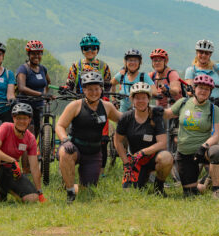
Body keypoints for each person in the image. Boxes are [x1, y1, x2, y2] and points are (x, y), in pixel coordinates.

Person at [56, 72, 122, 203]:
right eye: (90, 89)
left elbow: (123, 119)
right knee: (65, 153)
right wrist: (64, 140)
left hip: (93, 152)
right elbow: (60, 125)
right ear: (84, 90)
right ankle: (70, 192)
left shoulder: (107, 107)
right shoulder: (75, 105)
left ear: (101, 89)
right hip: (75, 146)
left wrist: (143, 111)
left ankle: (69, 184)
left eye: (97, 89)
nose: (94, 92)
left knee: (88, 193)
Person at [163, 74, 219, 199]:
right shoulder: (183, 103)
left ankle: (216, 190)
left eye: (207, 89)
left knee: (216, 151)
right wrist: (148, 109)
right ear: (194, 89)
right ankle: (205, 184)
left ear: (210, 92)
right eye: (200, 88)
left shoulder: (213, 108)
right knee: (190, 193)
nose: (203, 91)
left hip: (203, 150)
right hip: (185, 152)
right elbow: (167, 114)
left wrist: (204, 146)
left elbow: (216, 135)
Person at [64, 33, 113, 175]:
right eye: (86, 49)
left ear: (97, 49)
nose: (90, 51)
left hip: (99, 103)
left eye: (93, 48)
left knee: (103, 139)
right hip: (80, 105)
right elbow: (70, 83)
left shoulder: (104, 66)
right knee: (76, 134)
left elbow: (108, 85)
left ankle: (101, 171)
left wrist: (105, 98)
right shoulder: (76, 65)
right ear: (82, 50)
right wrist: (66, 88)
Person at [0, 103, 44, 209]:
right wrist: (12, 161)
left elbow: (34, 167)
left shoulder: (30, 138)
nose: (21, 121)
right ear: (13, 118)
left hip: (12, 173)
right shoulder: (6, 127)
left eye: (24, 118)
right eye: (18, 118)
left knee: (32, 199)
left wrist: (39, 192)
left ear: (29, 120)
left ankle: (3, 190)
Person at [114, 82, 172, 195]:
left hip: (152, 157)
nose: (140, 101)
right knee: (130, 192)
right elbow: (117, 141)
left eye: (144, 98)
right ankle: (142, 178)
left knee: (166, 157)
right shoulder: (126, 117)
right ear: (132, 99)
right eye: (137, 98)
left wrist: (143, 152)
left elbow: (162, 143)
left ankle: (158, 187)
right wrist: (126, 163)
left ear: (149, 99)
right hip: (135, 160)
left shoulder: (155, 115)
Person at [184, 39, 219, 176]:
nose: (203, 55)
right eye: (201, 52)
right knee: (199, 136)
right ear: (197, 53)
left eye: (206, 53)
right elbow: (189, 91)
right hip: (200, 108)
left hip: (217, 106)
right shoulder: (191, 70)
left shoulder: (217, 67)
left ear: (210, 54)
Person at [16, 40, 51, 139]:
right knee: (29, 133)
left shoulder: (43, 69)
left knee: (37, 132)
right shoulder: (23, 69)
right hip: (25, 106)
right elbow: (21, 87)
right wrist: (40, 94)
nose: (37, 56)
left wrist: (44, 94)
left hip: (39, 106)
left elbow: (48, 82)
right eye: (33, 53)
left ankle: (34, 153)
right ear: (28, 54)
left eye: (39, 53)